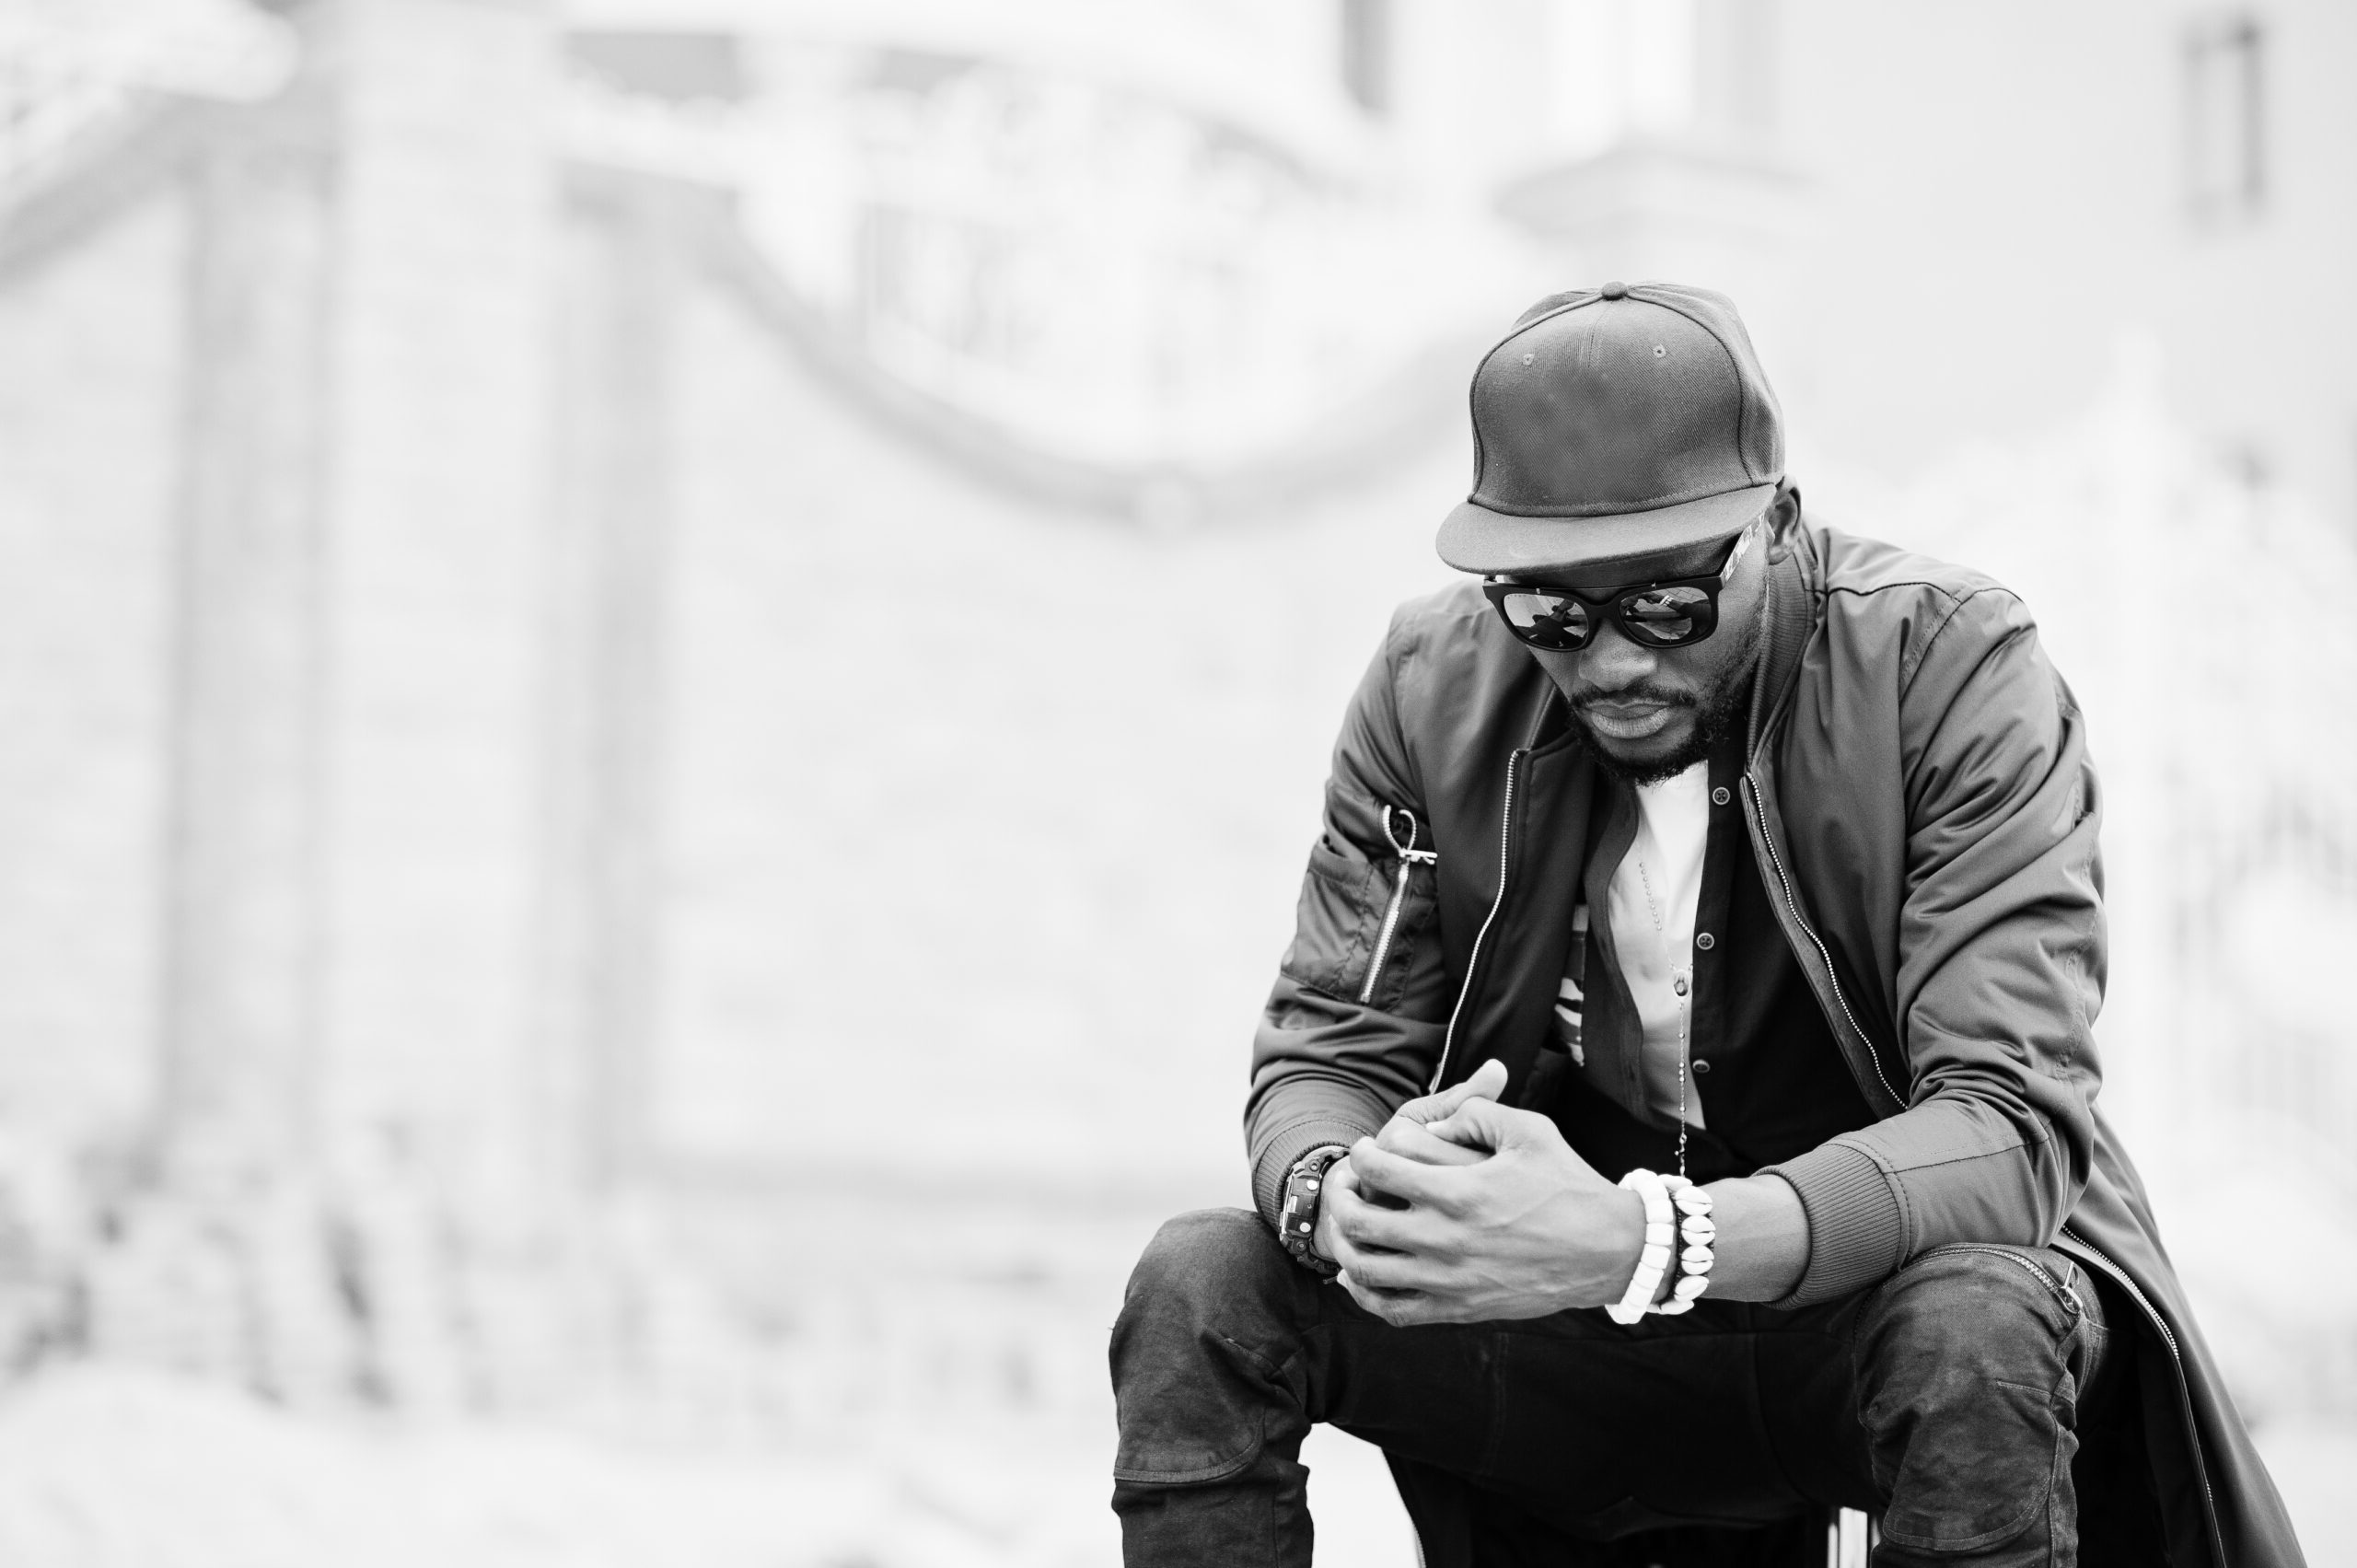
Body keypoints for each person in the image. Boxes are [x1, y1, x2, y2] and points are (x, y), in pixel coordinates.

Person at [1108, 283, 2305, 1568]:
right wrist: (1339, 1198)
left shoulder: (1949, 667)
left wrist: (1649, 1242)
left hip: (1843, 1320)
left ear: (1778, 523)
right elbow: (1330, 1051)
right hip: (1547, 1317)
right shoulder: (1428, 685)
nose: (1613, 660)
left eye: (1667, 606)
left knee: (1978, 1321)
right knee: (1205, 1283)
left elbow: (2009, 1125)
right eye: (1551, 614)